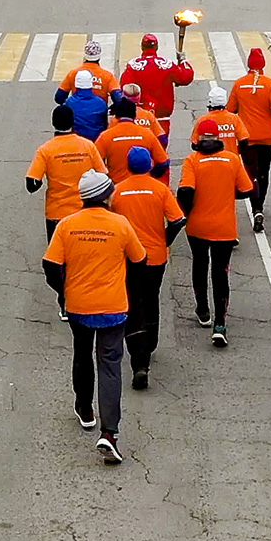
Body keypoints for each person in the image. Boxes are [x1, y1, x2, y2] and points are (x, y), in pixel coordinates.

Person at [43, 170, 146, 463]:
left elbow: (50, 265)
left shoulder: (67, 225)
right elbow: (140, 260)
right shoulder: (121, 224)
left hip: (79, 305)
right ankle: (109, 433)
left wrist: (64, 292)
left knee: (81, 353)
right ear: (106, 195)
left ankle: (84, 408)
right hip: (113, 307)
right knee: (111, 364)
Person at [110, 147, 185, 390]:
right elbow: (177, 219)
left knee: (133, 303)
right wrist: (165, 239)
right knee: (152, 299)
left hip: (129, 258)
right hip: (155, 256)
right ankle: (151, 341)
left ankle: (138, 353)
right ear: (150, 165)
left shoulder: (118, 191)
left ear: (129, 166)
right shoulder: (160, 189)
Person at [177, 123, 253, 346]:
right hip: (224, 227)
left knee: (199, 265)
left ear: (199, 139)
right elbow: (247, 189)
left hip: (198, 225)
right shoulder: (231, 159)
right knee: (221, 273)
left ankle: (202, 309)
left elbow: (186, 190)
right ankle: (220, 324)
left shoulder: (193, 161)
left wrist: (185, 212)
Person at [27, 105, 107, 240]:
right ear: (72, 121)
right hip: (84, 211)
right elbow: (103, 175)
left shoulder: (46, 150)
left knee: (57, 256)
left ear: (53, 123)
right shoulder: (87, 146)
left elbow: (32, 184)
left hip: (57, 212)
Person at [226, 48, 271, 231]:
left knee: (251, 172)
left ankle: (255, 207)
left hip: (247, 137)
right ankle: (260, 206)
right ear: (263, 64)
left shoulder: (239, 84)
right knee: (264, 171)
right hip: (268, 136)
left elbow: (231, 110)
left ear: (248, 64)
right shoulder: (270, 83)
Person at [119, 34, 195, 142]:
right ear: (157, 47)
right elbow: (186, 77)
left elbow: (124, 88)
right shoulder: (166, 64)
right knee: (160, 153)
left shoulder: (133, 66)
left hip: (141, 119)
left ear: (142, 47)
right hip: (162, 119)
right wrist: (182, 60)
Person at [96, 99, 170, 182]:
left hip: (117, 185)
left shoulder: (106, 136)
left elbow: (95, 163)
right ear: (135, 116)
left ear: (116, 116)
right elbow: (164, 162)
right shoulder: (147, 134)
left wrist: (106, 179)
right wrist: (152, 175)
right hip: (144, 183)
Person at [57, 40, 120, 105]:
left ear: (85, 56)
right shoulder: (107, 76)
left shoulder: (73, 73)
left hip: (76, 111)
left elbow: (59, 97)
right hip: (99, 112)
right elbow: (118, 98)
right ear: (99, 57)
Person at [192, 85, 250, 150]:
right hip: (231, 158)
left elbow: (194, 144)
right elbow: (244, 141)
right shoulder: (234, 118)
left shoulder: (203, 120)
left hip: (209, 158)